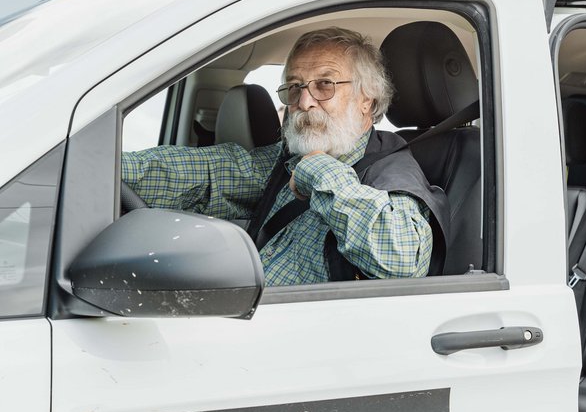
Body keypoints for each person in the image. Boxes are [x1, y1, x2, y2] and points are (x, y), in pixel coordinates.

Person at [121, 27, 449, 286]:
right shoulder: (289, 159)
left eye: (324, 84)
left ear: (367, 98)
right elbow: (210, 174)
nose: (304, 101)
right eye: (294, 87)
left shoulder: (391, 172)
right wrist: (103, 168)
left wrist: (320, 172)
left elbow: (403, 261)